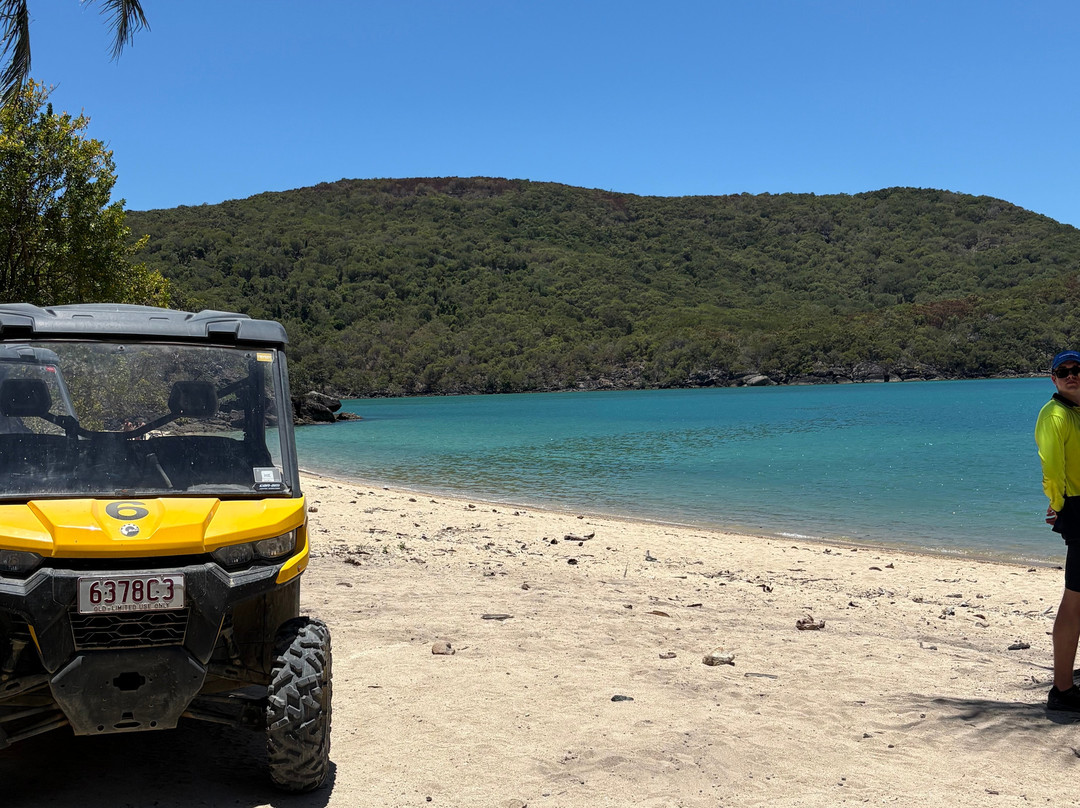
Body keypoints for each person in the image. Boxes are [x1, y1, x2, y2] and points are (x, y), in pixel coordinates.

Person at [1036, 349, 1080, 711]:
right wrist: (1059, 506)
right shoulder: (1054, 414)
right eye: (1063, 371)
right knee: (1075, 598)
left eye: (1076, 369)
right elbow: (1051, 469)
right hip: (1078, 509)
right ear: (1053, 379)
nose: (1071, 375)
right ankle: (1062, 691)